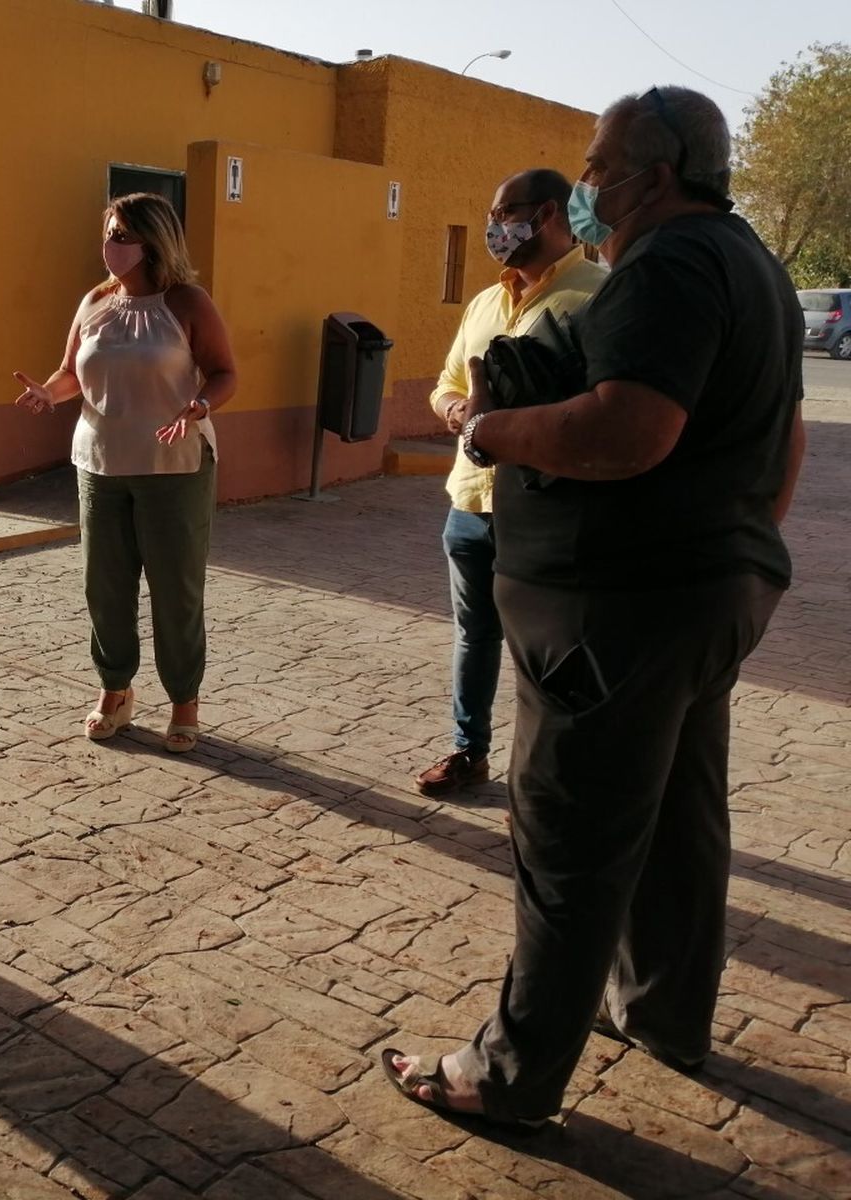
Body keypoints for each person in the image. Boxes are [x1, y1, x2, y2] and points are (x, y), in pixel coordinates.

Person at [383, 87, 807, 1129]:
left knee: (568, 836)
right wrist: (731, 543)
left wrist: (495, 430)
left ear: (656, 174)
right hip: (707, 595)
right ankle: (662, 1012)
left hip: (621, 616)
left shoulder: (662, 266)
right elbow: (784, 438)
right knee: (674, 818)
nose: (585, 181)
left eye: (598, 164)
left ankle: (507, 1075)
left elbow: (626, 430)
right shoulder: (753, 266)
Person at [13, 192, 236, 753]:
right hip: (100, 463)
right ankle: (116, 690)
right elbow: (71, 373)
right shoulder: (94, 301)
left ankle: (184, 701)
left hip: (175, 466)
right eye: (107, 235)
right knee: (105, 587)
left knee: (175, 590)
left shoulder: (188, 302)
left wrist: (201, 407)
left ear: (152, 241)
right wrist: (48, 392)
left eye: (120, 237)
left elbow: (225, 371)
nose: (109, 248)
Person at [415, 169, 606, 797]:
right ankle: (469, 751)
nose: (495, 229)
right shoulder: (484, 302)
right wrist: (456, 411)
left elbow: (597, 408)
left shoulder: (596, 296)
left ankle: (541, 780)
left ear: (549, 213)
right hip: (470, 504)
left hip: (545, 510)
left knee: (546, 653)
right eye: (493, 217)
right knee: (476, 637)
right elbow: (446, 381)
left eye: (505, 214)